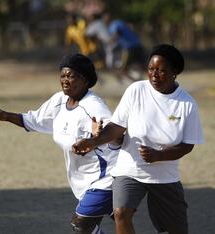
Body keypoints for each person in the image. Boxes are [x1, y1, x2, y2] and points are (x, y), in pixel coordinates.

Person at [72, 44, 204, 234]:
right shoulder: (136, 90)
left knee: (175, 229)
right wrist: (92, 142)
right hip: (130, 170)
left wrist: (158, 156)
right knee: (121, 212)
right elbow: (116, 127)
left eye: (161, 70)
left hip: (164, 176)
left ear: (175, 72)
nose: (154, 75)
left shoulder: (186, 104)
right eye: (151, 69)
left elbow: (187, 145)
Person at [0, 53, 121, 234]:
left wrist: (99, 135)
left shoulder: (94, 106)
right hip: (85, 180)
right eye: (62, 75)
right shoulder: (59, 101)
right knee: (116, 221)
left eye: (71, 76)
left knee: (81, 225)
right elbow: (34, 120)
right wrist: (6, 116)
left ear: (85, 79)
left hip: (107, 177)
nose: (65, 80)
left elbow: (119, 134)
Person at [102, 12, 146, 83]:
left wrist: (109, 41)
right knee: (143, 66)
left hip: (129, 48)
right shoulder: (120, 22)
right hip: (138, 45)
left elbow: (117, 34)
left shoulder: (114, 25)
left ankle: (136, 83)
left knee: (122, 69)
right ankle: (142, 80)